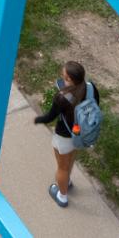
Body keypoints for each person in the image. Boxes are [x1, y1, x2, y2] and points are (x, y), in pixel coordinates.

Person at [32, 60, 97, 209]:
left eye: (64, 77)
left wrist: (37, 119)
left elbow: (50, 117)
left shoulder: (62, 98)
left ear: (69, 80)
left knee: (62, 167)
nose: (62, 77)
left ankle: (62, 196)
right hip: (80, 135)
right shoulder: (91, 88)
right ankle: (67, 182)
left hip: (64, 136)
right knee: (71, 160)